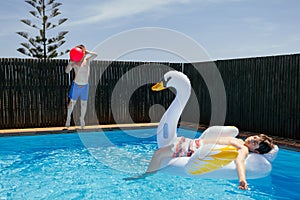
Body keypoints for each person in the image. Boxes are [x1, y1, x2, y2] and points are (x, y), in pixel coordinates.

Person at [125, 126, 274, 190]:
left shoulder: (242, 149)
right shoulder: (239, 141)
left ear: (257, 152)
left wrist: (242, 179)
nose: (252, 140)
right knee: (160, 153)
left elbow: (239, 162)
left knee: (159, 154)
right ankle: (148, 166)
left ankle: (145, 176)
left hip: (193, 149)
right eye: (254, 137)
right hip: (194, 143)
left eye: (255, 143)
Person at [65, 44, 97, 129]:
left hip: (85, 86)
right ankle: (68, 118)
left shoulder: (87, 60)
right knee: (72, 103)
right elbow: (67, 71)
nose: (82, 51)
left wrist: (87, 52)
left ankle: (82, 119)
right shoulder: (75, 62)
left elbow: (95, 55)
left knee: (84, 104)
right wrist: (70, 62)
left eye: (83, 50)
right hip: (76, 85)